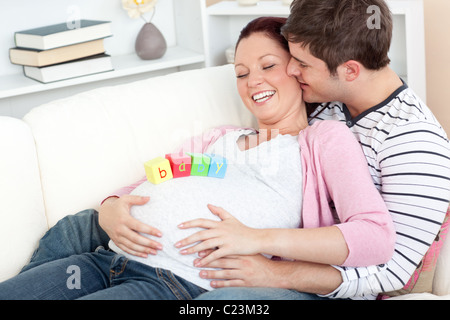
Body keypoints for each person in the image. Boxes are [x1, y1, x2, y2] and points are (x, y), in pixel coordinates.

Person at [0, 17, 395, 300]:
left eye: (267, 66)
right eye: (241, 73)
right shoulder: (217, 139)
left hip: (172, 283)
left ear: (297, 70)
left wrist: (255, 240)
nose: (252, 80)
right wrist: (111, 209)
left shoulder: (322, 140)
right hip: (105, 260)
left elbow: (375, 237)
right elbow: (151, 177)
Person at [194, 0, 450, 300]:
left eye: (302, 64)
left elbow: (391, 270)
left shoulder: (415, 143)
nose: (291, 69)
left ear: (350, 70)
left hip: (327, 288)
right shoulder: (323, 101)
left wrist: (272, 273)